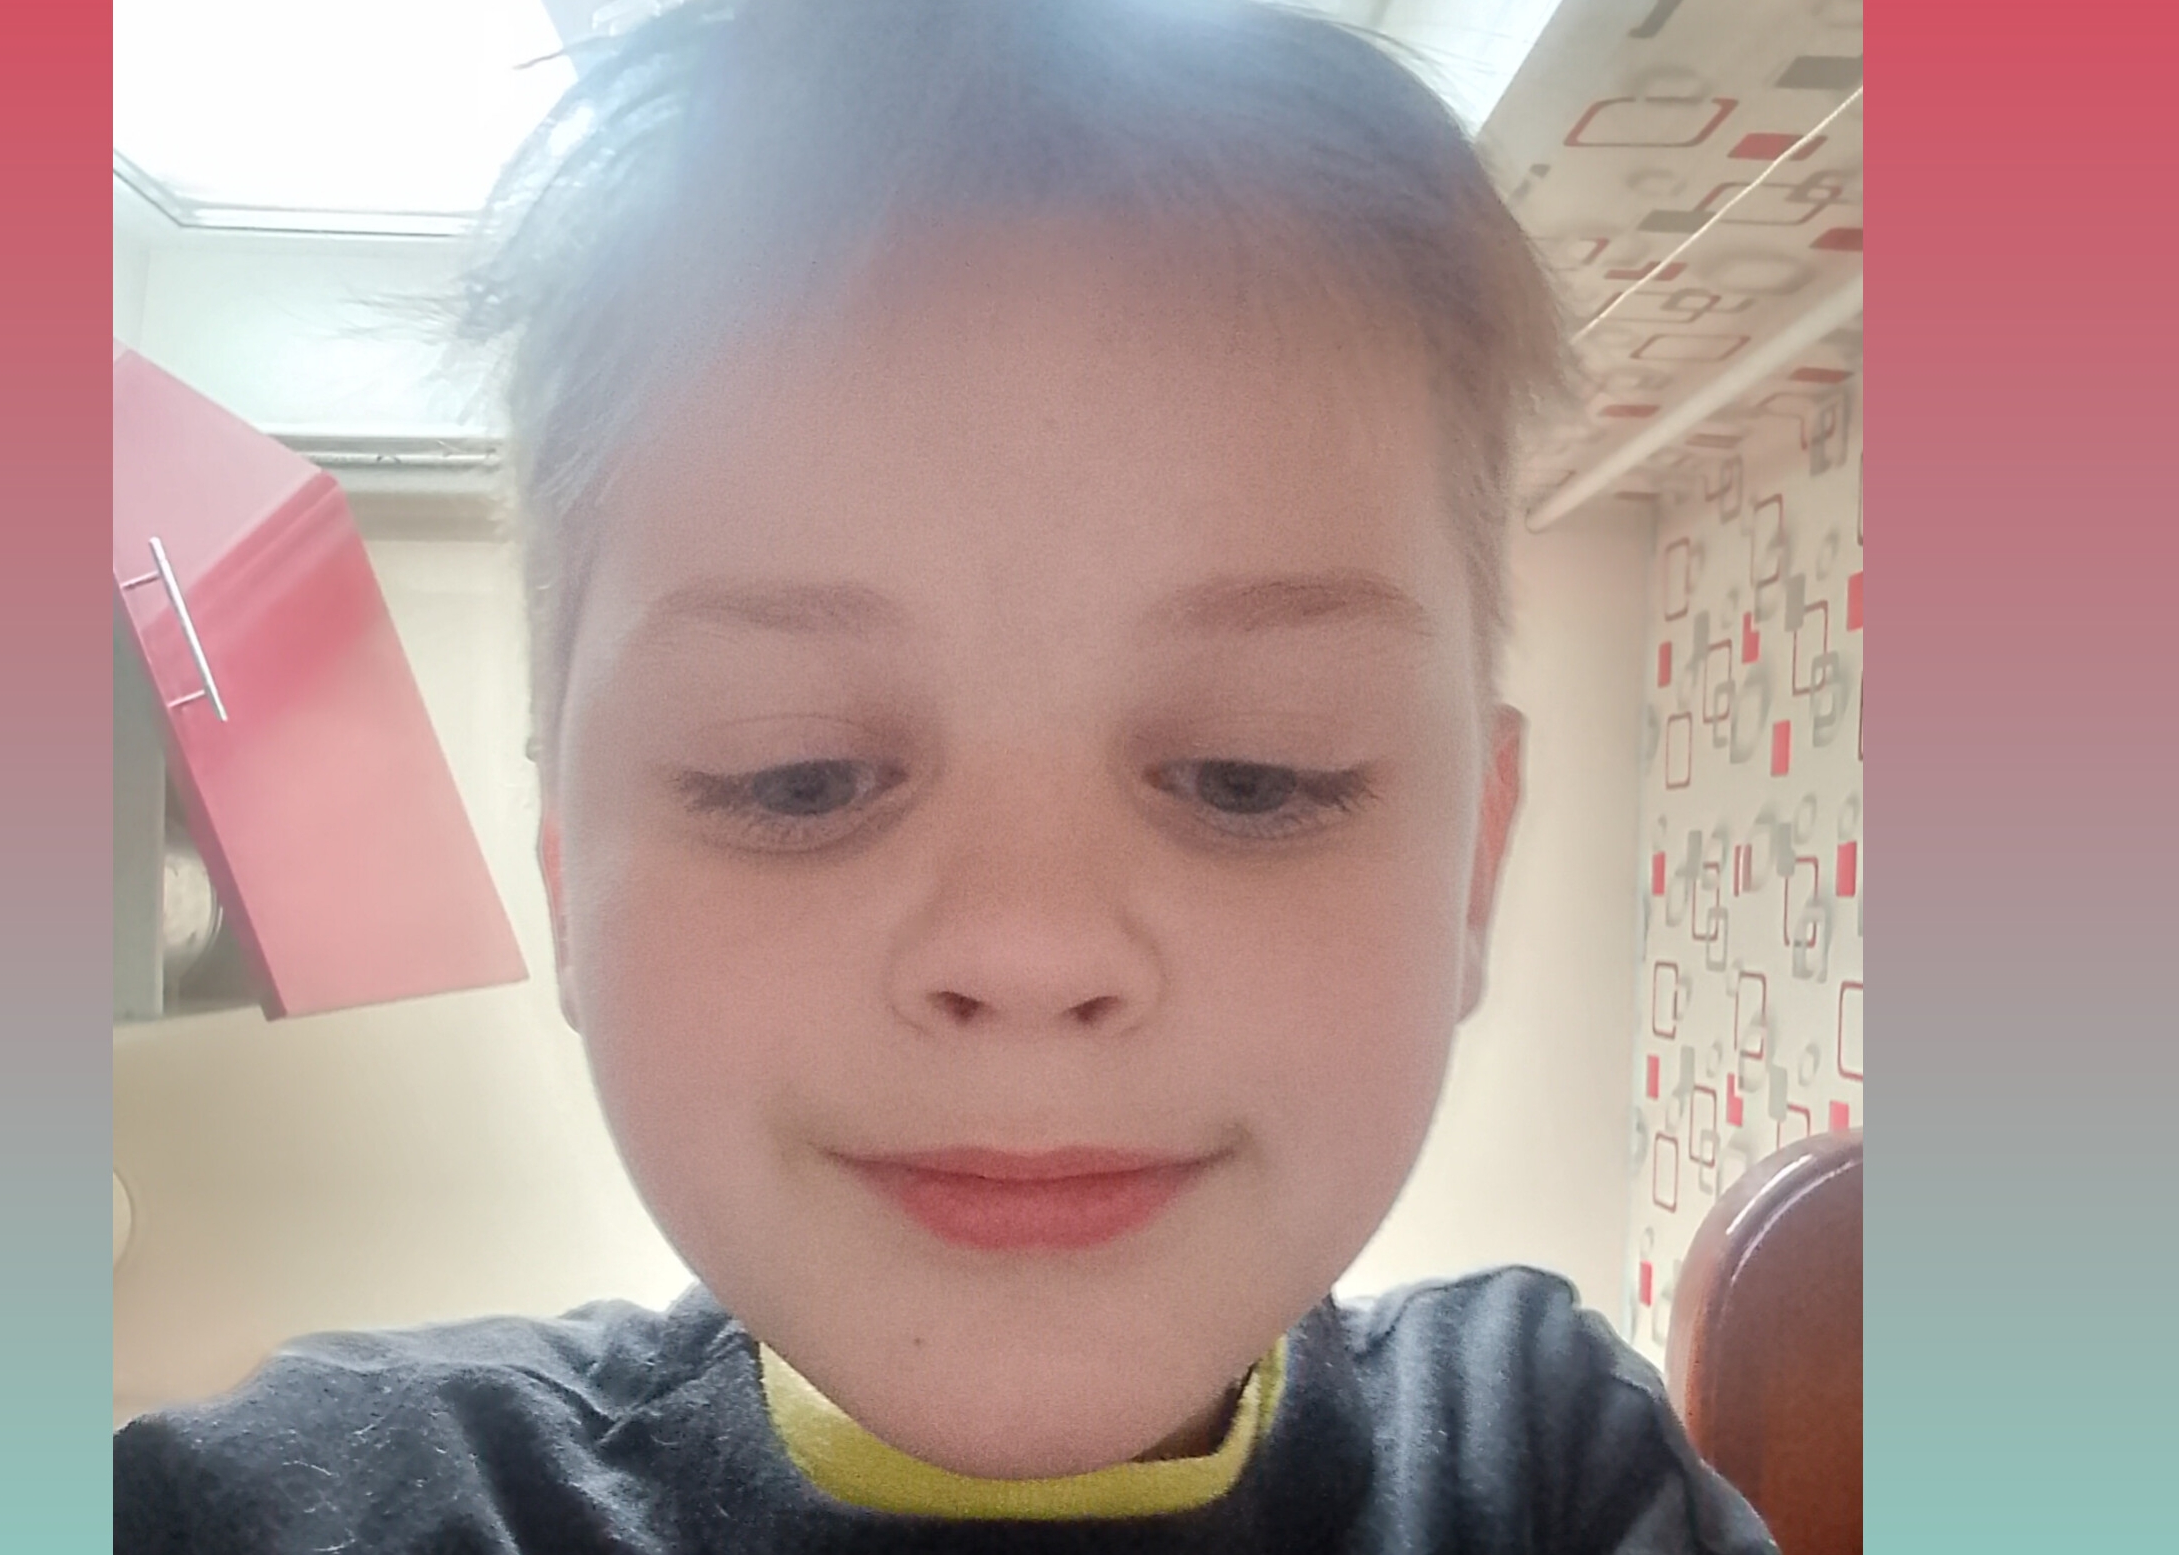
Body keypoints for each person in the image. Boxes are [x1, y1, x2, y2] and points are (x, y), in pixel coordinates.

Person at [114, 1, 1780, 1549]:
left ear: (1474, 866)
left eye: (1249, 776)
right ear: (566, 873)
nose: (1026, 948)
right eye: (798, 779)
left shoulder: (1551, 1463)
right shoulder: (266, 1512)